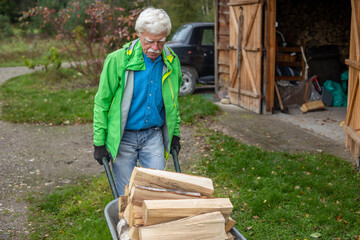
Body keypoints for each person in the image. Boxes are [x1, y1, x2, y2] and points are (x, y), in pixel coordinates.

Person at [93, 7, 182, 196]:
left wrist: (174, 134)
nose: (155, 48)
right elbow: (102, 103)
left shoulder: (171, 61)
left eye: (161, 42)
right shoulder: (117, 60)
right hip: (124, 138)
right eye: (149, 41)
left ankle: (151, 226)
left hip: (153, 136)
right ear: (139, 34)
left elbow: (173, 104)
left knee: (156, 191)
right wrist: (99, 142)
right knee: (127, 194)